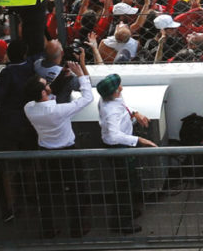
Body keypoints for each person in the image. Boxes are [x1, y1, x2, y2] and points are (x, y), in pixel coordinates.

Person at [23, 56, 89, 239]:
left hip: (46, 154)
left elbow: (50, 95)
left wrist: (62, 76)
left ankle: (48, 229)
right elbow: (87, 98)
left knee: (47, 194)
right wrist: (81, 76)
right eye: (46, 84)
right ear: (44, 92)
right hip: (67, 153)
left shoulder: (29, 108)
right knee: (75, 191)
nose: (48, 85)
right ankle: (77, 228)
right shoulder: (58, 111)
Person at [96, 73, 154, 234]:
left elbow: (124, 107)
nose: (121, 88)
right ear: (113, 92)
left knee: (129, 181)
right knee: (123, 186)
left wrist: (135, 114)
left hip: (123, 147)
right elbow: (114, 135)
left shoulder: (112, 99)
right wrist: (139, 140)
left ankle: (127, 211)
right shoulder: (110, 111)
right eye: (118, 87)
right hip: (119, 148)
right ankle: (121, 222)